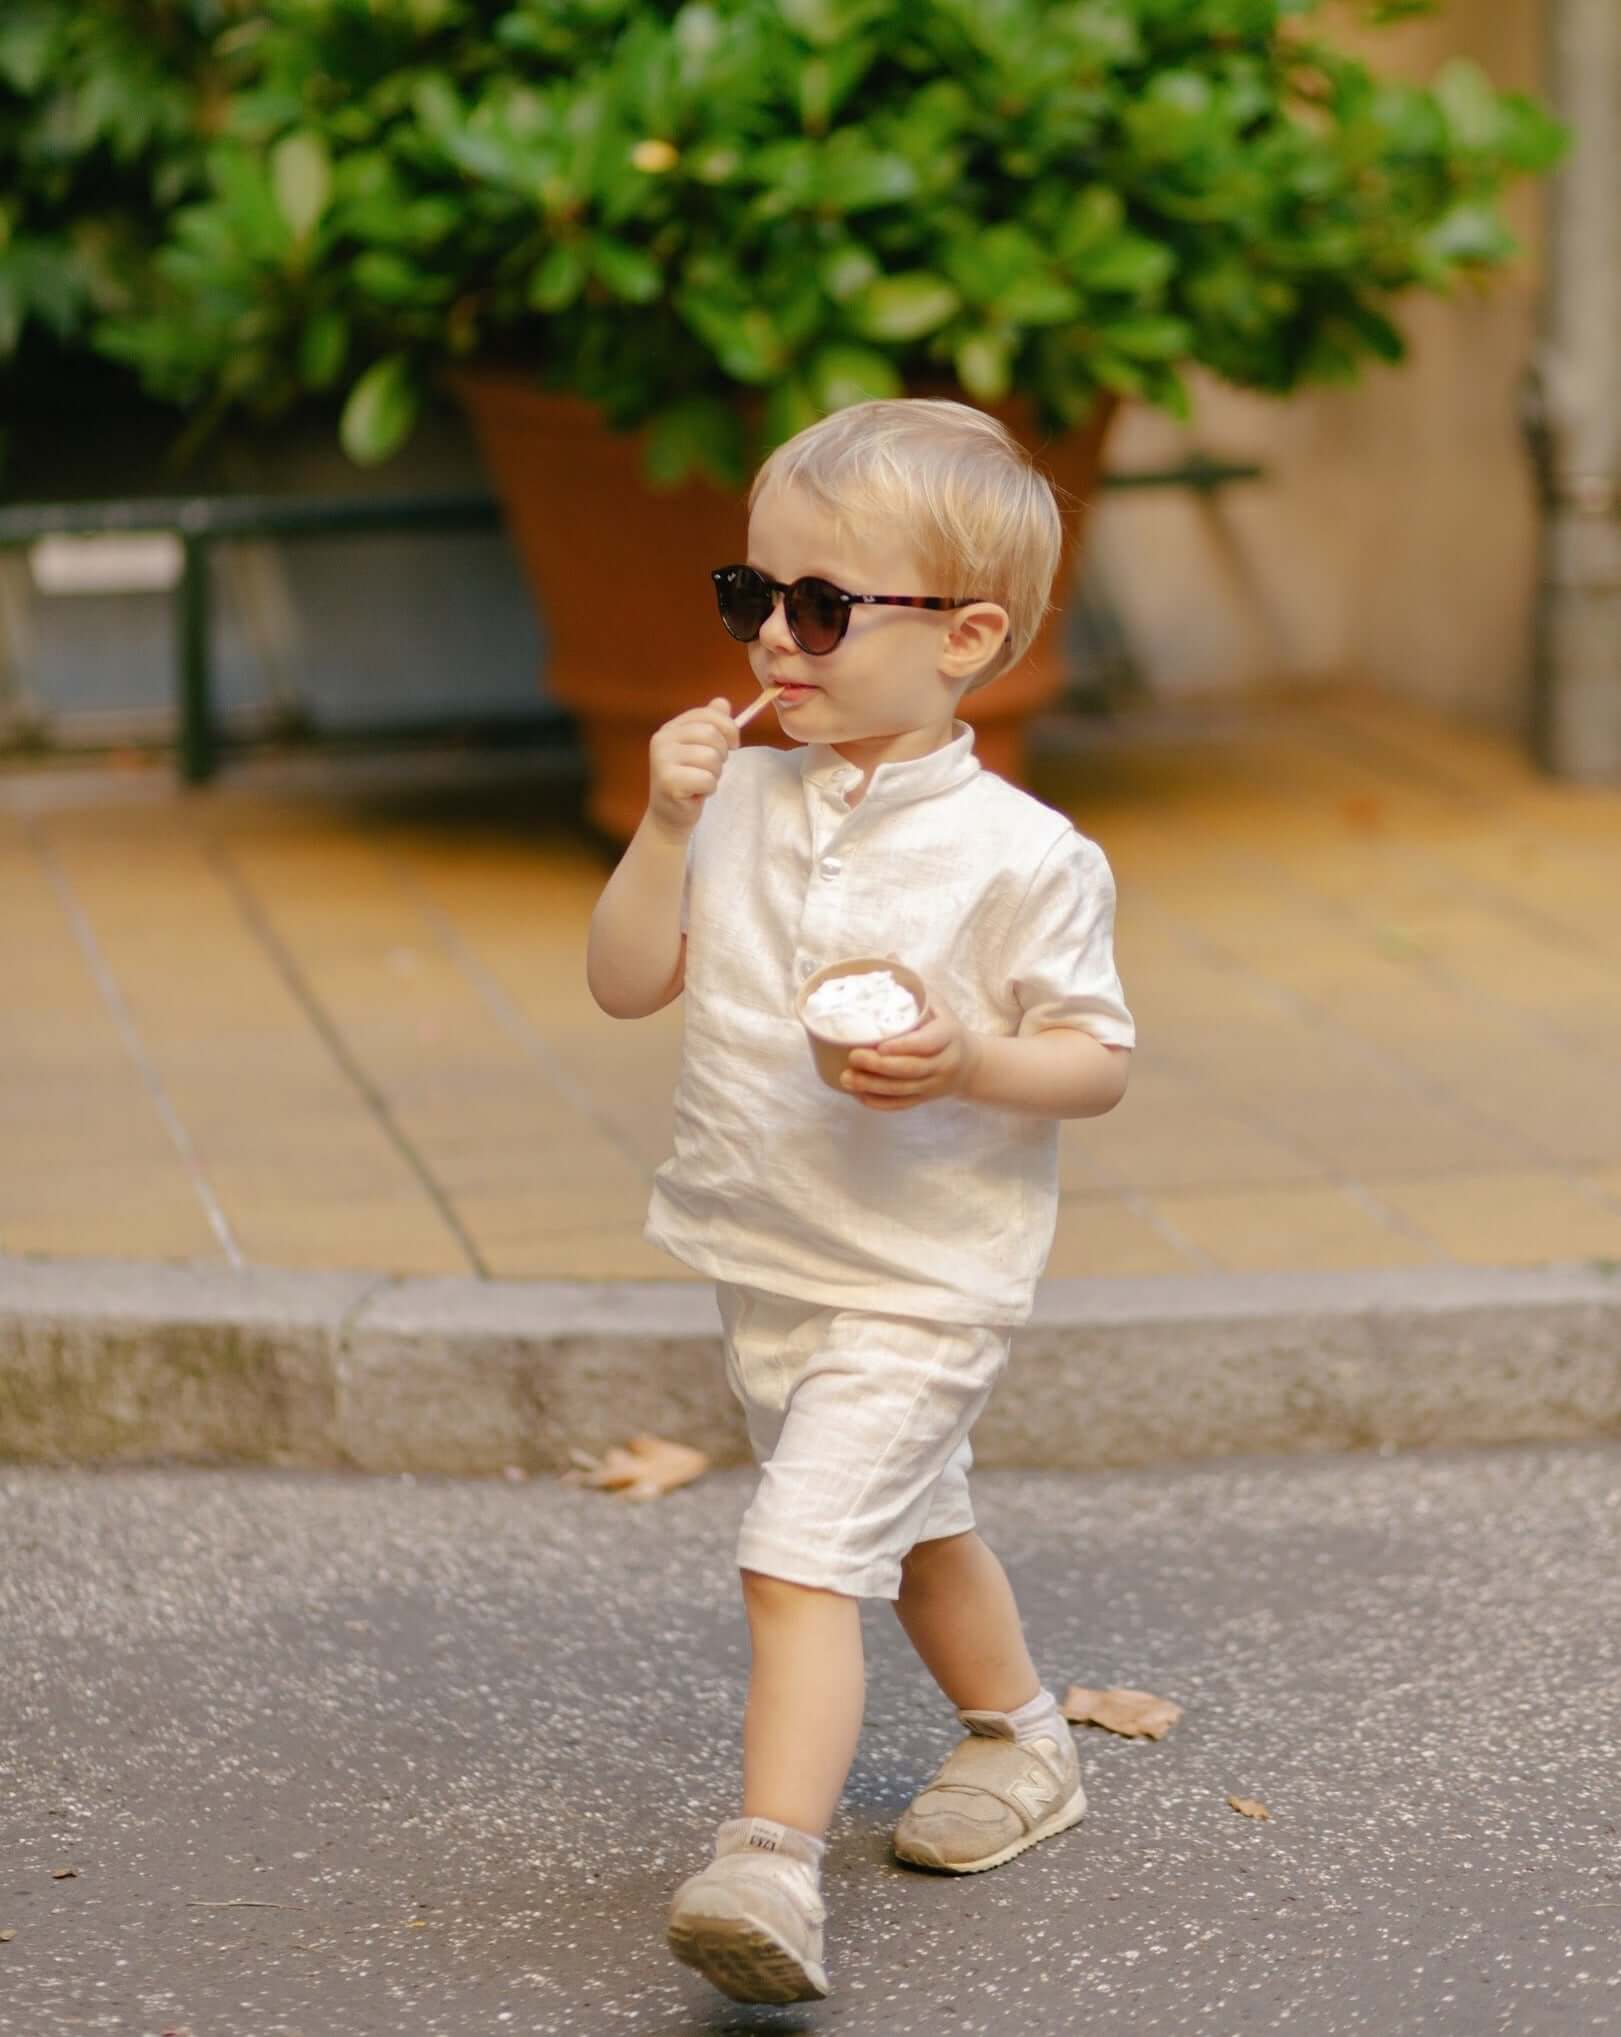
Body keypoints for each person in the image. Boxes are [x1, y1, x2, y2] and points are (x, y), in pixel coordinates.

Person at [586, 398, 1135, 2005]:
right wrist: (664, 822)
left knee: (800, 1554)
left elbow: (1095, 1060)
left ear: (965, 638)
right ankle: (1022, 1740)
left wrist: (972, 1057)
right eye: (747, 594)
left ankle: (767, 1860)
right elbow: (623, 980)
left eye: (821, 606)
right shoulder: (743, 797)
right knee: (915, 1522)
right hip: (767, 1248)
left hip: (922, 1271)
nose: (774, 636)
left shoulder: (1022, 853)